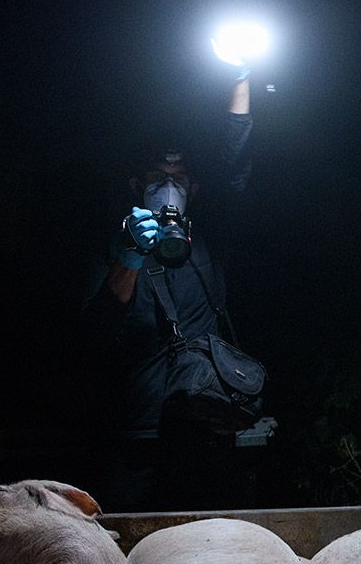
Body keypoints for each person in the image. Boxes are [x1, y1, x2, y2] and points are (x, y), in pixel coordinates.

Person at [78, 61, 258, 510]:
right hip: (137, 436)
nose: (168, 189)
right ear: (139, 186)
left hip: (206, 428)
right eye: (159, 179)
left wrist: (241, 76)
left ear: (192, 187)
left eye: (177, 180)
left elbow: (234, 165)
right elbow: (92, 334)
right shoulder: (116, 246)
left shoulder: (210, 239)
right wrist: (131, 255)